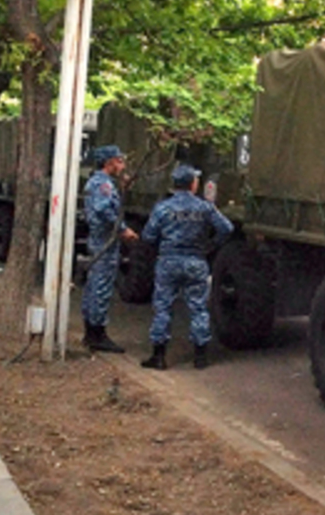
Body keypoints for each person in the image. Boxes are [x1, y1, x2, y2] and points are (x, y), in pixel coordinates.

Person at [139, 164, 233, 371]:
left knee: (163, 307)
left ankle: (159, 356)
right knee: (198, 307)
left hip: (168, 261)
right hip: (196, 261)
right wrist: (211, 246)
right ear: (192, 184)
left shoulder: (163, 207)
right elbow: (227, 228)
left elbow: (148, 236)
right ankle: (200, 356)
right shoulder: (204, 207)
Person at [81, 145, 138, 353]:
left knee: (94, 285)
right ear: (109, 162)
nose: (122, 164)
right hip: (105, 240)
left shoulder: (100, 182)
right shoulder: (103, 184)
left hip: (100, 240)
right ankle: (97, 334)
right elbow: (104, 210)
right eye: (119, 160)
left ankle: (91, 332)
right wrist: (123, 230)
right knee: (101, 287)